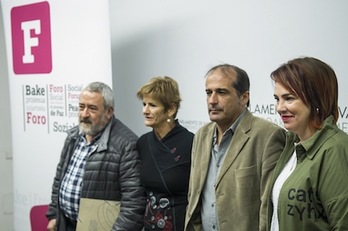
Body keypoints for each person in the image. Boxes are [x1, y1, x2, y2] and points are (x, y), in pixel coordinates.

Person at [184, 64, 286, 231]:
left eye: (221, 92)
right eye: (208, 93)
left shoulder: (268, 135)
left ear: (244, 97)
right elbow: (194, 197)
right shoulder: (201, 135)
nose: (212, 100)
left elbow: (269, 207)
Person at [46, 81, 146, 231]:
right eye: (81, 107)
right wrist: (54, 215)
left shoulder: (127, 144)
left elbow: (134, 204)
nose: (84, 114)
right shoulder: (73, 136)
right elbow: (59, 179)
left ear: (109, 112)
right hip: (66, 225)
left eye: (92, 108)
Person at [266, 57, 348, 230]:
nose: (280, 107)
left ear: (315, 99)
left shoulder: (335, 149)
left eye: (288, 98)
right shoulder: (291, 145)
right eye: (277, 99)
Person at [136, 76, 194, 231]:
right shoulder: (143, 143)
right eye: (144, 104)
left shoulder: (191, 143)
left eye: (152, 105)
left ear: (171, 109)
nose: (145, 110)